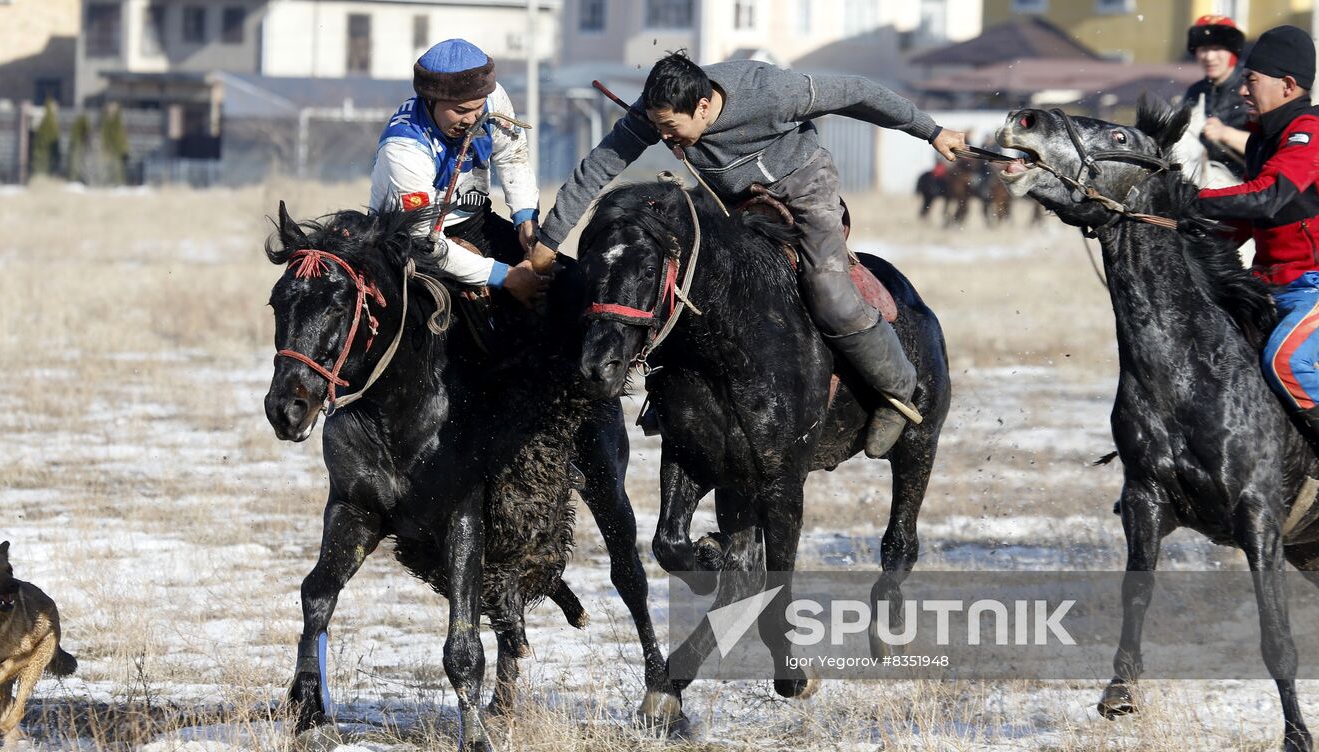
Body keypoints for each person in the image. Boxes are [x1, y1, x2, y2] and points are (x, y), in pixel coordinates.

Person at [527, 52, 964, 456]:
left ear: (702, 106)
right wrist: (547, 244)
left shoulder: (772, 92)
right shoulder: (657, 111)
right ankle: (677, 398)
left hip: (803, 187)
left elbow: (861, 93)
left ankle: (896, 389)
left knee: (829, 294)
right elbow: (596, 170)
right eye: (657, 127)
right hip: (731, 204)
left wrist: (932, 131)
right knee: (684, 281)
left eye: (670, 129)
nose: (661, 136)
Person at [1196, 26, 1319, 427]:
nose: (1243, 91)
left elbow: (1265, 196)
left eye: (1251, 80)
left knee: (1286, 363)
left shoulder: (1310, 132)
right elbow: (1247, 221)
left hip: (1312, 286)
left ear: (1286, 85)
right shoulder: (1261, 139)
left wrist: (1186, 198)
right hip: (1267, 285)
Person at [369, 38, 546, 304]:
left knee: (568, 284)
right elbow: (426, 242)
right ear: (429, 101)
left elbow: (512, 157)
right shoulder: (403, 149)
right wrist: (506, 276)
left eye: (478, 109)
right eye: (461, 111)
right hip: (409, 241)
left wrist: (526, 219)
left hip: (474, 222)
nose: (474, 121)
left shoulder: (493, 98)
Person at [1182, 15, 1251, 180]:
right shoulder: (1194, 92)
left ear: (1233, 53)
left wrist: (1226, 134)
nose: (1209, 57)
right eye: (1203, 49)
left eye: (1217, 48)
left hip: (1247, 187)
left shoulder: (1251, 88)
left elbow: (1274, 146)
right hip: (1200, 183)